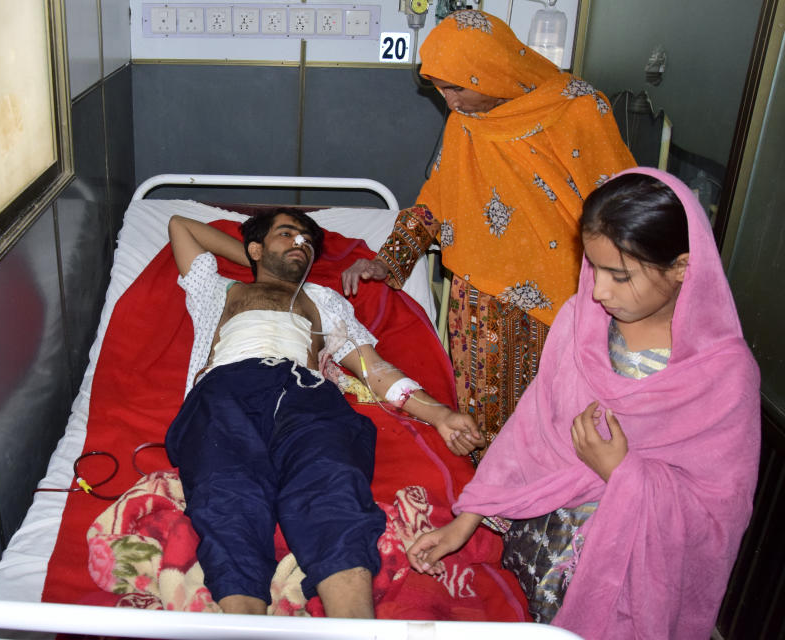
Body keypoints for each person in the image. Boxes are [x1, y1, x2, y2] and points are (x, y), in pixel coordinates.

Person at [405, 168, 761, 638]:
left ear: (682, 267)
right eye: (593, 268)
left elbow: (717, 514)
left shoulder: (722, 374)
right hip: (536, 554)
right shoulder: (581, 321)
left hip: (625, 582)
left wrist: (623, 472)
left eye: (620, 275)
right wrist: (462, 525)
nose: (598, 291)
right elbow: (528, 432)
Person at [164, 210, 484, 617]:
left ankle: (354, 626)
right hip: (224, 394)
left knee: (333, 488)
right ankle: (242, 622)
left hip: (306, 396)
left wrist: (439, 414)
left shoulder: (322, 299)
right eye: (287, 234)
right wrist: (257, 259)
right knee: (227, 496)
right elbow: (180, 225)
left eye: (307, 242)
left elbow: (374, 369)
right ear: (256, 248)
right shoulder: (216, 290)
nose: (301, 244)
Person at [342, 9, 635, 451]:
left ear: (492, 71)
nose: (449, 102)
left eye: (457, 87)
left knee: (565, 417)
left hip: (570, 297)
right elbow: (435, 202)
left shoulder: (578, 108)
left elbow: (621, 201)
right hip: (479, 306)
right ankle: (490, 512)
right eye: (440, 89)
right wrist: (388, 260)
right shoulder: (467, 124)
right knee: (486, 423)